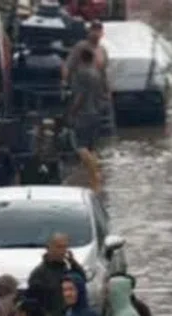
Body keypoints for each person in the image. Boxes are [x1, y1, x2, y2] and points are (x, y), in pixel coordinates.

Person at [28, 233, 87, 316]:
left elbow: (82, 281)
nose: (63, 251)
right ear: (49, 248)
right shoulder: (39, 274)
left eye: (65, 247)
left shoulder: (67, 270)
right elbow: (33, 301)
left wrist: (73, 262)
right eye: (59, 247)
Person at [69, 46, 108, 194]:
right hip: (96, 114)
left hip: (84, 114)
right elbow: (103, 94)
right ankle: (95, 180)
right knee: (92, 148)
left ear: (81, 58)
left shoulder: (81, 74)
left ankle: (94, 177)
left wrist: (72, 111)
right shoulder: (97, 73)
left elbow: (80, 95)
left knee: (80, 146)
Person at [62, 20, 109, 88]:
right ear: (89, 32)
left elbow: (103, 73)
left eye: (98, 31)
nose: (95, 33)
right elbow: (68, 65)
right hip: (81, 87)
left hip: (97, 88)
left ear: (102, 34)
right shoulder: (80, 47)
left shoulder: (103, 50)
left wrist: (107, 90)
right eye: (93, 30)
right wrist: (65, 81)